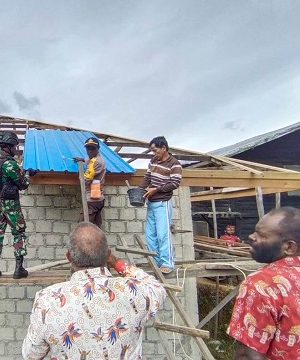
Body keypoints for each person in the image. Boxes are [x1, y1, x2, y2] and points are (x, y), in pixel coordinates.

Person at [22, 222, 167, 359]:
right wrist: (116, 262)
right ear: (108, 255)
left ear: (68, 257)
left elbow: (31, 355)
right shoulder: (135, 291)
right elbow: (157, 287)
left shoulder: (48, 300)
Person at [228, 207, 300, 359]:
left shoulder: (261, 284)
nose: (251, 236)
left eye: (261, 235)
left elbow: (248, 356)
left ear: (289, 247)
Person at [0, 131, 31, 280]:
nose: (15, 149)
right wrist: (28, 174)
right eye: (14, 146)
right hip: (9, 202)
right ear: (9, 146)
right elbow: (23, 184)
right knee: (18, 231)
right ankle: (19, 268)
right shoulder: (10, 164)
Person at [138, 136, 182, 274]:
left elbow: (175, 183)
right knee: (150, 235)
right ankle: (157, 261)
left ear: (163, 148)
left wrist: (156, 189)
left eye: (155, 150)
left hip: (163, 203)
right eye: (152, 150)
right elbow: (147, 178)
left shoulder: (174, 164)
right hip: (151, 202)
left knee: (163, 234)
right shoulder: (153, 161)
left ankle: (167, 263)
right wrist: (139, 190)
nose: (154, 153)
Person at [73, 137, 106, 227]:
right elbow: (90, 160)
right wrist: (82, 159)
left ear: (98, 148)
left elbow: (85, 180)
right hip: (98, 199)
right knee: (95, 227)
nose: (90, 151)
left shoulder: (97, 162)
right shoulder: (95, 159)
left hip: (92, 200)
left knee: (83, 227)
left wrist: (79, 174)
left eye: (93, 148)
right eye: (88, 148)